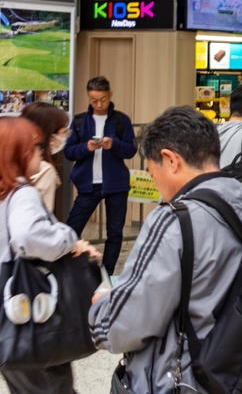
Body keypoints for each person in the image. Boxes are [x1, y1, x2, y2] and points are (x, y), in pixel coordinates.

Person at [90, 106, 242, 392]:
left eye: (151, 170)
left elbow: (127, 324)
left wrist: (101, 307)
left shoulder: (174, 218)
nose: (155, 183)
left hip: (184, 380)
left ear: (170, 160)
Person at [0, 118, 100, 394]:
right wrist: (68, 238)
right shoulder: (22, 193)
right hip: (30, 310)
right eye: (34, 148)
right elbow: (27, 236)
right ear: (19, 154)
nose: (41, 154)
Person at [64, 75, 137, 275]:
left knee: (115, 232)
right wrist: (86, 147)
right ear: (88, 97)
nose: (98, 104)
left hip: (117, 185)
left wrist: (114, 145)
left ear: (110, 95)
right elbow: (68, 152)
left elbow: (131, 150)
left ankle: (107, 273)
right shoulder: (79, 121)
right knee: (72, 229)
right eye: (93, 100)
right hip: (88, 185)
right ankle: (70, 270)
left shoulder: (121, 120)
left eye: (103, 99)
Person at [20, 102, 70, 211]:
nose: (65, 137)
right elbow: (41, 217)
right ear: (49, 135)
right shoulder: (44, 170)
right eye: (63, 132)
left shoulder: (11, 160)